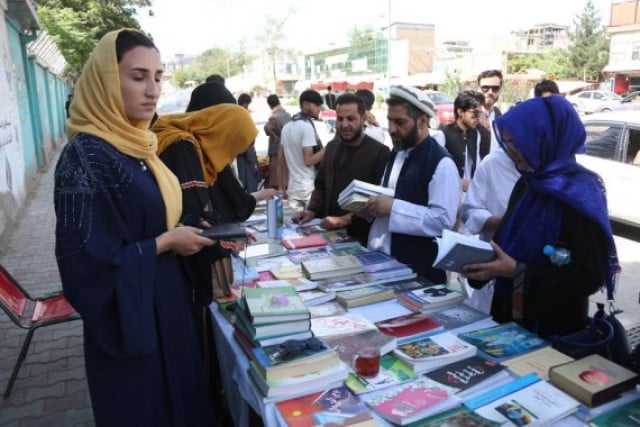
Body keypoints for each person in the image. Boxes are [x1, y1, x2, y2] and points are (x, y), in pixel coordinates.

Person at [53, 29, 214, 425]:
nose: (153, 89)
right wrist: (163, 243)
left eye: (159, 77)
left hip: (166, 301)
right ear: (106, 81)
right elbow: (84, 266)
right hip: (130, 318)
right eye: (138, 76)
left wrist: (193, 229)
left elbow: (148, 219)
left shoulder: (139, 144)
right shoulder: (86, 156)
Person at [463, 95, 620, 338]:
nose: (511, 153)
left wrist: (517, 271)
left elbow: (589, 275)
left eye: (517, 143)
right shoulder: (528, 183)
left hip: (555, 330)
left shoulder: (578, 192)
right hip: (509, 321)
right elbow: (506, 243)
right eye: (507, 144)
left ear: (544, 140)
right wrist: (484, 266)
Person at [366, 85, 459, 284]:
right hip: (385, 263)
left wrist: (393, 207)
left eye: (400, 122)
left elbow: (443, 220)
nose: (391, 129)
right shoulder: (398, 152)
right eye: (390, 121)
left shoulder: (442, 164)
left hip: (419, 272)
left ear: (422, 121)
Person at [292, 93, 390, 245]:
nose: (344, 124)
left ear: (363, 119)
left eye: (350, 119)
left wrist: (345, 219)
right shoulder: (332, 147)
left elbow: (379, 200)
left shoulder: (379, 152)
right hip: (327, 234)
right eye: (340, 119)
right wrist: (311, 211)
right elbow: (321, 186)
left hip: (362, 237)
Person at [278, 89, 325, 211]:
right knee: (309, 224)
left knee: (295, 226)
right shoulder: (306, 127)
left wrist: (281, 188)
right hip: (307, 188)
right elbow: (308, 161)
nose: (319, 109)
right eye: (316, 105)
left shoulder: (287, 127)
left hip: (293, 188)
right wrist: (328, 148)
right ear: (305, 104)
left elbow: (280, 161)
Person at [441, 90, 490, 192]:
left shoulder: (476, 134)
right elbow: (436, 169)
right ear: (460, 112)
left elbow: (477, 163)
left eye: (480, 113)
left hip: (469, 193)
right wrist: (459, 182)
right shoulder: (443, 134)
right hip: (448, 191)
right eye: (475, 113)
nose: (478, 117)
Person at [235, 92, 263, 192]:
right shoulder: (242, 114)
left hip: (240, 151)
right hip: (246, 150)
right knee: (250, 175)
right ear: (245, 104)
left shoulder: (236, 113)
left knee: (243, 175)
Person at [264, 94, 292, 189]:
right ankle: (286, 185)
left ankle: (278, 188)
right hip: (288, 145)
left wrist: (274, 136)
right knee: (286, 168)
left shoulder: (274, 117)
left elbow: (267, 127)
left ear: (270, 105)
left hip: (276, 146)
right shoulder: (287, 114)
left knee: (276, 168)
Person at [477, 69, 504, 153]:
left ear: (500, 90)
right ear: (478, 88)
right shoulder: (470, 115)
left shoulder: (499, 114)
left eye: (495, 88)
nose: (490, 92)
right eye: (485, 88)